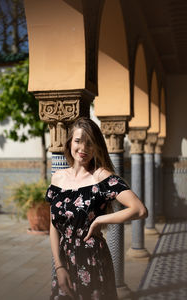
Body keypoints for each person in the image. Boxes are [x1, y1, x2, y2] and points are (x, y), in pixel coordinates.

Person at [45, 117, 147, 300]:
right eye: (78, 141)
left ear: (97, 147)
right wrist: (59, 267)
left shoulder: (101, 177)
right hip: (64, 260)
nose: (83, 149)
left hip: (92, 258)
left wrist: (100, 219)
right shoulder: (58, 178)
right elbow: (53, 225)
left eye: (90, 143)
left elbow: (139, 209)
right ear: (69, 143)